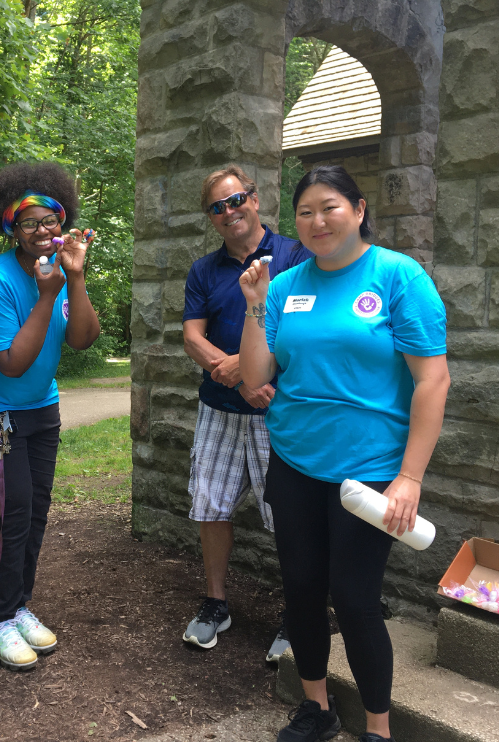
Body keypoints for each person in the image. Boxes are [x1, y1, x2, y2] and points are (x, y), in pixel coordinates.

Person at [238, 165, 449, 742]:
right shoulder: (284, 285)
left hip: (371, 474)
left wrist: (410, 477)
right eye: (305, 212)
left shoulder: (398, 276)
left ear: (358, 210)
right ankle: (317, 709)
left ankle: (378, 729)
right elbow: (255, 378)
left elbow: (432, 381)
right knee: (301, 590)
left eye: (329, 207)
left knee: (356, 600)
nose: (317, 221)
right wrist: (255, 303)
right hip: (295, 464)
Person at [0, 162, 101, 670]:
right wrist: (47, 295)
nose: (42, 230)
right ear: (12, 229)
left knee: (37, 510)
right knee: (11, 513)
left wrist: (75, 278)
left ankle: (18, 604)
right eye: (29, 223)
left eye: (50, 219)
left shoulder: (61, 272)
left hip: (43, 408)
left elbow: (83, 339)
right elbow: (10, 362)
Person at [181, 165, 310, 653]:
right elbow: (192, 337)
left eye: (236, 200)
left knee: (289, 516)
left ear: (254, 199)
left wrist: (254, 371)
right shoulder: (204, 270)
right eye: (218, 207)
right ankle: (216, 603)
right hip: (220, 410)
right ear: (211, 217)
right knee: (210, 504)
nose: (229, 211)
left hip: (279, 411)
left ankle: (298, 615)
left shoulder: (295, 257)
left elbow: (302, 328)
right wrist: (239, 376)